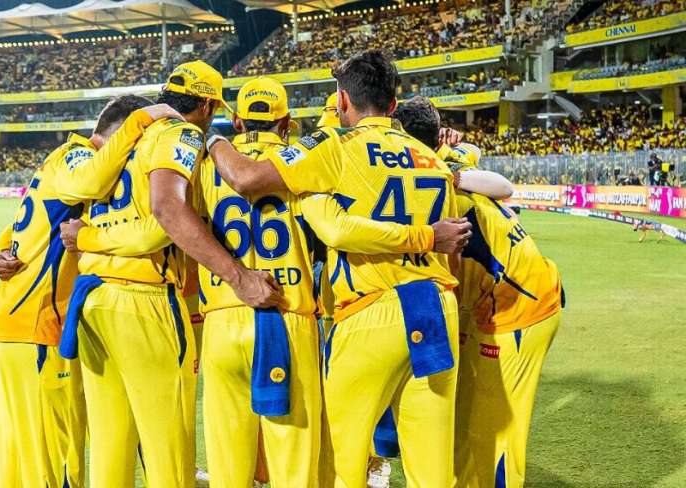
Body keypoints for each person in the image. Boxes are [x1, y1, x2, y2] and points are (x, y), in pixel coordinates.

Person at [207, 49, 465, 487]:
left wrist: (211, 139)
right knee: (433, 468)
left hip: (370, 312)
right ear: (393, 104)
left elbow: (266, 189)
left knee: (342, 461)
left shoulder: (334, 147)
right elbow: (453, 245)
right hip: (438, 308)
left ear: (342, 100)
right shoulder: (432, 159)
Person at [55, 60, 281, 487]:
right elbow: (167, 210)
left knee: (110, 445)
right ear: (208, 106)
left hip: (95, 299)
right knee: (169, 450)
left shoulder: (127, 136)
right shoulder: (180, 132)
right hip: (145, 300)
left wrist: (88, 238)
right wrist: (239, 277)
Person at [0, 95, 174, 488]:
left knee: (20, 457)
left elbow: (23, 224)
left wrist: (3, 249)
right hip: (38, 324)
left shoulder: (58, 163)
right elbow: (90, 180)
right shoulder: (78, 155)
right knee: (56, 458)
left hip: (14, 321)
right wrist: (140, 121)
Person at [394, 95, 564, 488]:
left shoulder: (437, 186)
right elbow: (475, 153)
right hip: (498, 300)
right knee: (468, 414)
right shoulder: (443, 162)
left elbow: (501, 187)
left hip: (518, 308)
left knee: (493, 431)